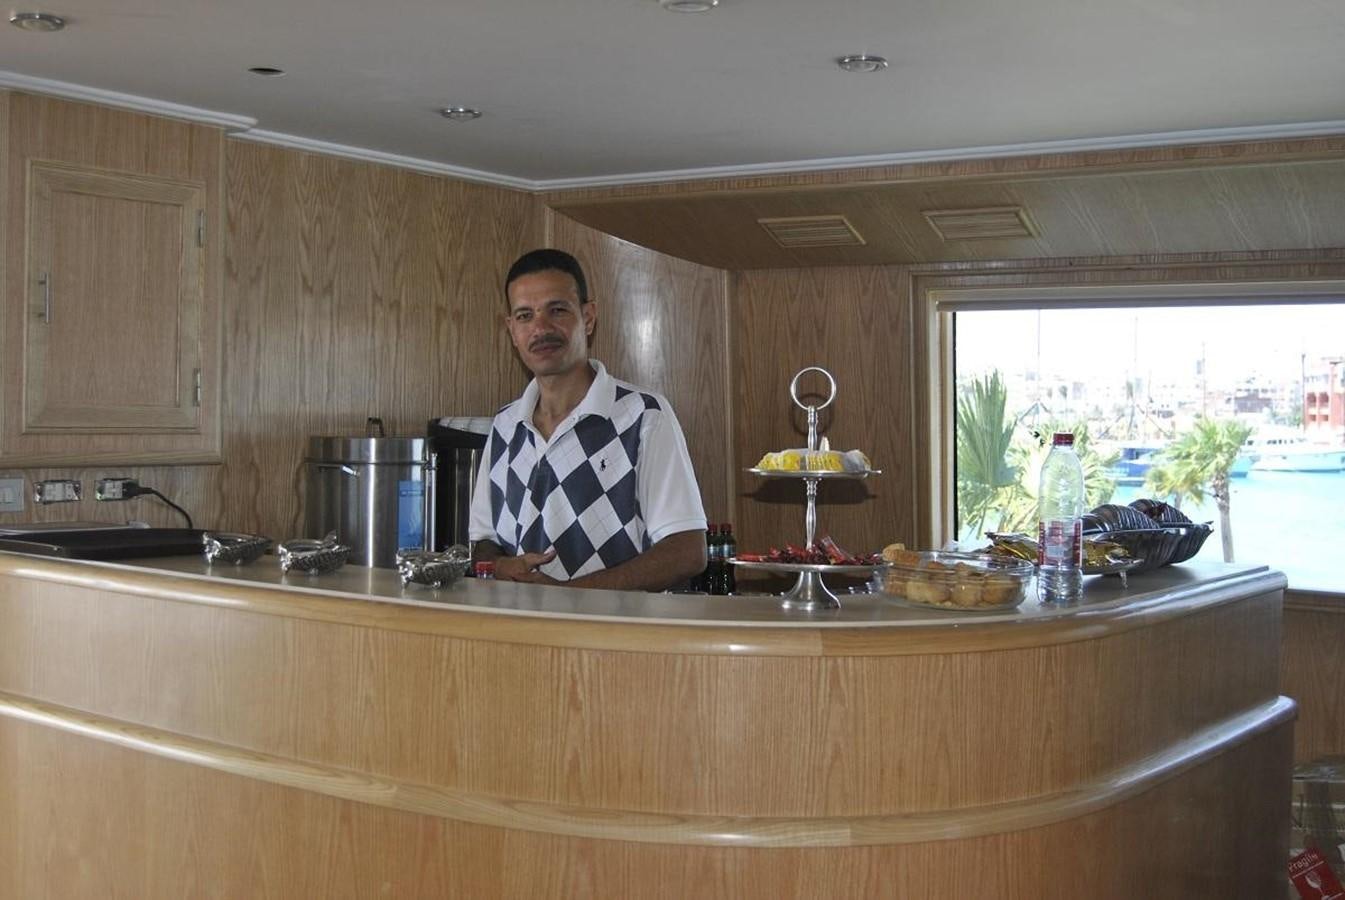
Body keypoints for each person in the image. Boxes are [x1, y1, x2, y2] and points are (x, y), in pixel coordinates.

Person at [468, 248, 707, 590]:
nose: (540, 328)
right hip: (521, 637)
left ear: (588, 317)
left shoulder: (644, 416)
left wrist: (569, 599)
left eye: (557, 310)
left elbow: (686, 551)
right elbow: (484, 542)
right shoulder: (505, 425)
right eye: (524, 315)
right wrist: (501, 566)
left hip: (617, 639)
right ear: (511, 330)